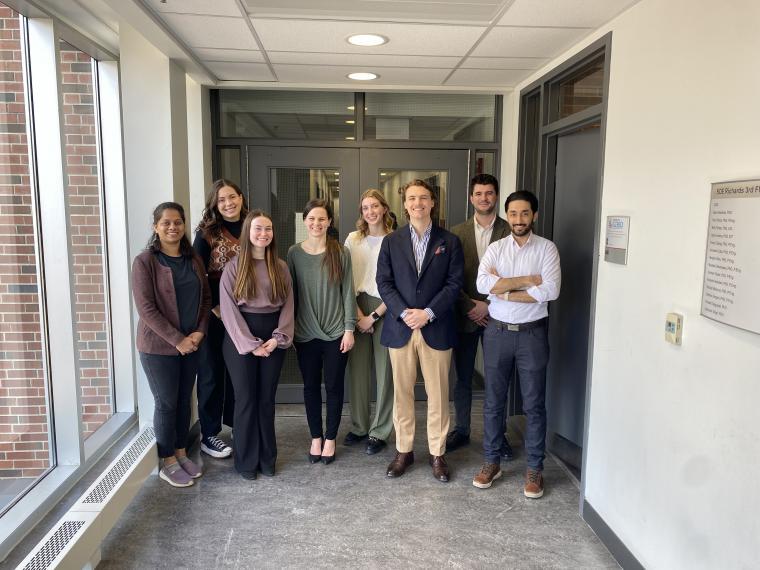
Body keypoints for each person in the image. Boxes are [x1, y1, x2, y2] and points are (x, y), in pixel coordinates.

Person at [471, 190, 561, 498]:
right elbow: (483, 284)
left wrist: (504, 288)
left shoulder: (547, 249)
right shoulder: (496, 248)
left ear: (534, 215)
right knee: (493, 402)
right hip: (497, 333)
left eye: (524, 213)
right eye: (513, 214)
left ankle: (535, 468)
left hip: (532, 335)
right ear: (506, 215)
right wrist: (527, 281)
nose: (518, 219)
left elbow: (550, 290)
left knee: (534, 404)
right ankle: (491, 462)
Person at [376, 179, 463, 482]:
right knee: (402, 394)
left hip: (435, 327)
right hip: (400, 327)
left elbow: (454, 284)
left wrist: (427, 313)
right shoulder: (391, 241)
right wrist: (404, 312)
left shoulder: (449, 242)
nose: (418, 203)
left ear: (432, 202)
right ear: (405, 204)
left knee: (438, 394)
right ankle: (404, 450)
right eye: (412, 198)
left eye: (423, 198)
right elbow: (383, 283)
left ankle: (437, 454)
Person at [132, 202, 211, 487]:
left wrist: (199, 334)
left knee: (183, 400)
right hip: (158, 348)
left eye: (178, 222)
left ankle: (180, 451)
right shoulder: (145, 262)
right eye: (166, 222)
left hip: (191, 344)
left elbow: (205, 300)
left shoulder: (193, 259)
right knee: (166, 403)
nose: (172, 227)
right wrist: (178, 340)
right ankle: (167, 460)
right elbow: (146, 309)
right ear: (156, 226)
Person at [220, 210, 294, 480]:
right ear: (248, 233)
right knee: (246, 399)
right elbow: (228, 310)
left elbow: (288, 307)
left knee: (266, 400)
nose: (264, 234)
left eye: (268, 229)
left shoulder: (281, 267)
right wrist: (251, 344)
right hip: (240, 337)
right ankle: (246, 461)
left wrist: (277, 339)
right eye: (258, 229)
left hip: (273, 336)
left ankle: (267, 458)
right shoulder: (234, 267)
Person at [446, 174, 514, 459]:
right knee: (462, 378)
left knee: (497, 378)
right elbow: (449, 277)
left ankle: (498, 435)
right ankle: (461, 430)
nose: (484, 198)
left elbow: (514, 275)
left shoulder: (511, 231)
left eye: (489, 193)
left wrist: (489, 304)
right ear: (471, 197)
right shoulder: (456, 232)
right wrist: (469, 306)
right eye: (479, 193)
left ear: (496, 196)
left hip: (499, 316)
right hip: (464, 315)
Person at [287, 199, 356, 464]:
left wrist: (349, 329)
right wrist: (289, 330)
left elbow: (347, 292)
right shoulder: (293, 253)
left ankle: (330, 438)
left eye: (322, 219)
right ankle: (315, 436)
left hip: (337, 331)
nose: (316, 223)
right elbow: (290, 295)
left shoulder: (340, 252)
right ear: (305, 221)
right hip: (305, 333)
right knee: (310, 387)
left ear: (329, 222)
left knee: (335, 387)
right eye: (312, 219)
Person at [193, 179, 248, 459]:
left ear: (240, 197)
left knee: (239, 372)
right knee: (212, 372)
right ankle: (210, 434)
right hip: (214, 314)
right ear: (215, 204)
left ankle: (239, 425)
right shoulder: (206, 234)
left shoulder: (252, 226)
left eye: (232, 197)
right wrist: (216, 309)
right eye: (221, 200)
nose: (228, 203)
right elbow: (197, 276)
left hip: (246, 312)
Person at [343, 189, 395, 455]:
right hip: (356, 304)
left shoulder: (396, 239)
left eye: (375, 206)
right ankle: (360, 426)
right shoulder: (353, 239)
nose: (370, 211)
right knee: (358, 371)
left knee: (386, 372)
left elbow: (399, 285)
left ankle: (380, 430)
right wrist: (357, 315)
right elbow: (345, 279)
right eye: (365, 208)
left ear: (384, 208)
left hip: (386, 308)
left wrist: (374, 316)